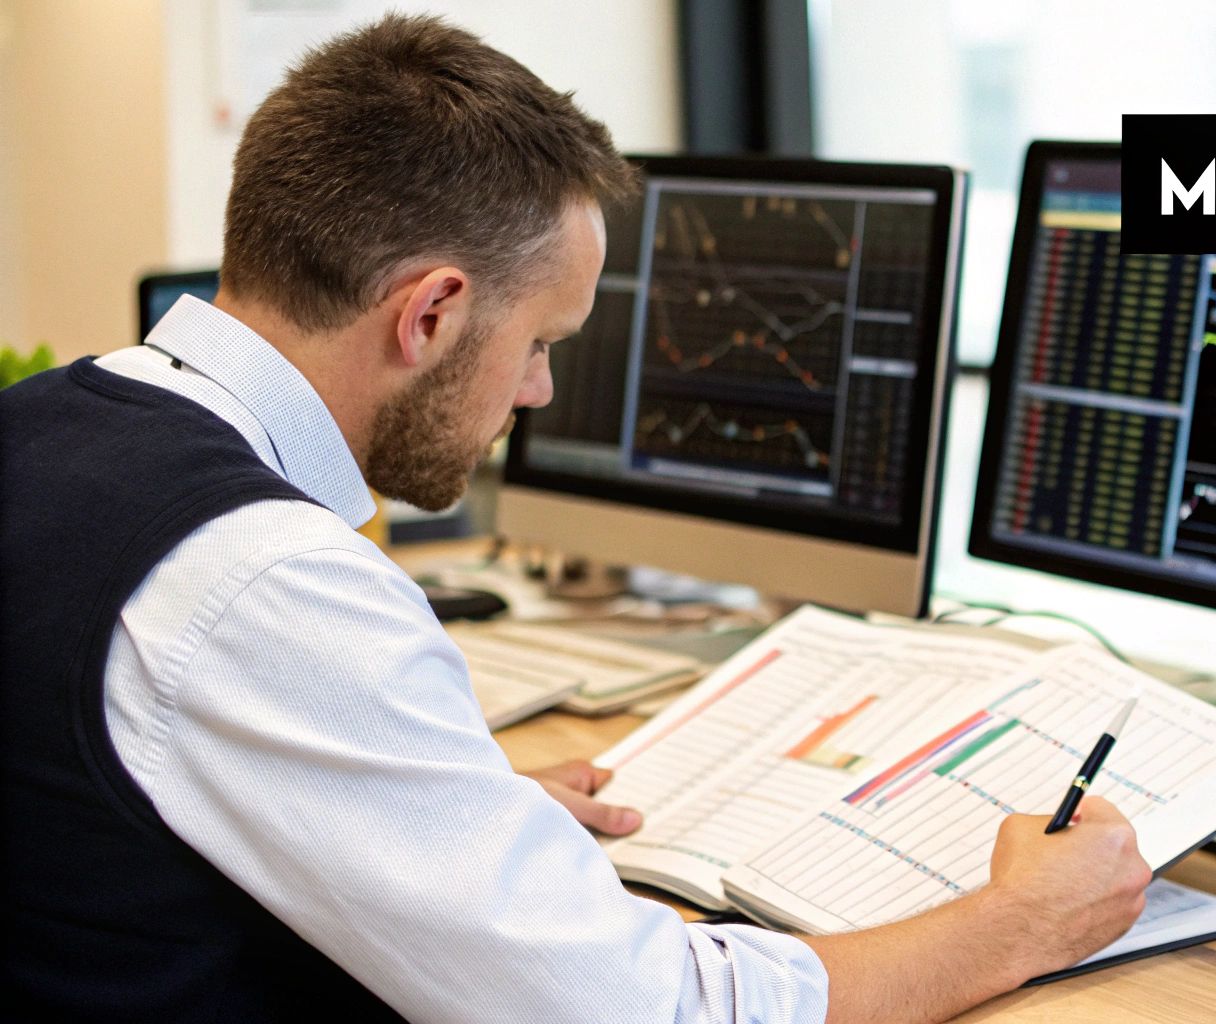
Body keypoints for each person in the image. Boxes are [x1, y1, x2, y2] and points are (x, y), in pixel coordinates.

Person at [0, 14, 1150, 1023]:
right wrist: (1016, 925)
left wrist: (426, 804)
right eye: (541, 341)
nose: (541, 391)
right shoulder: (268, 584)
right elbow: (644, 1010)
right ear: (433, 313)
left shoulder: (42, 424)